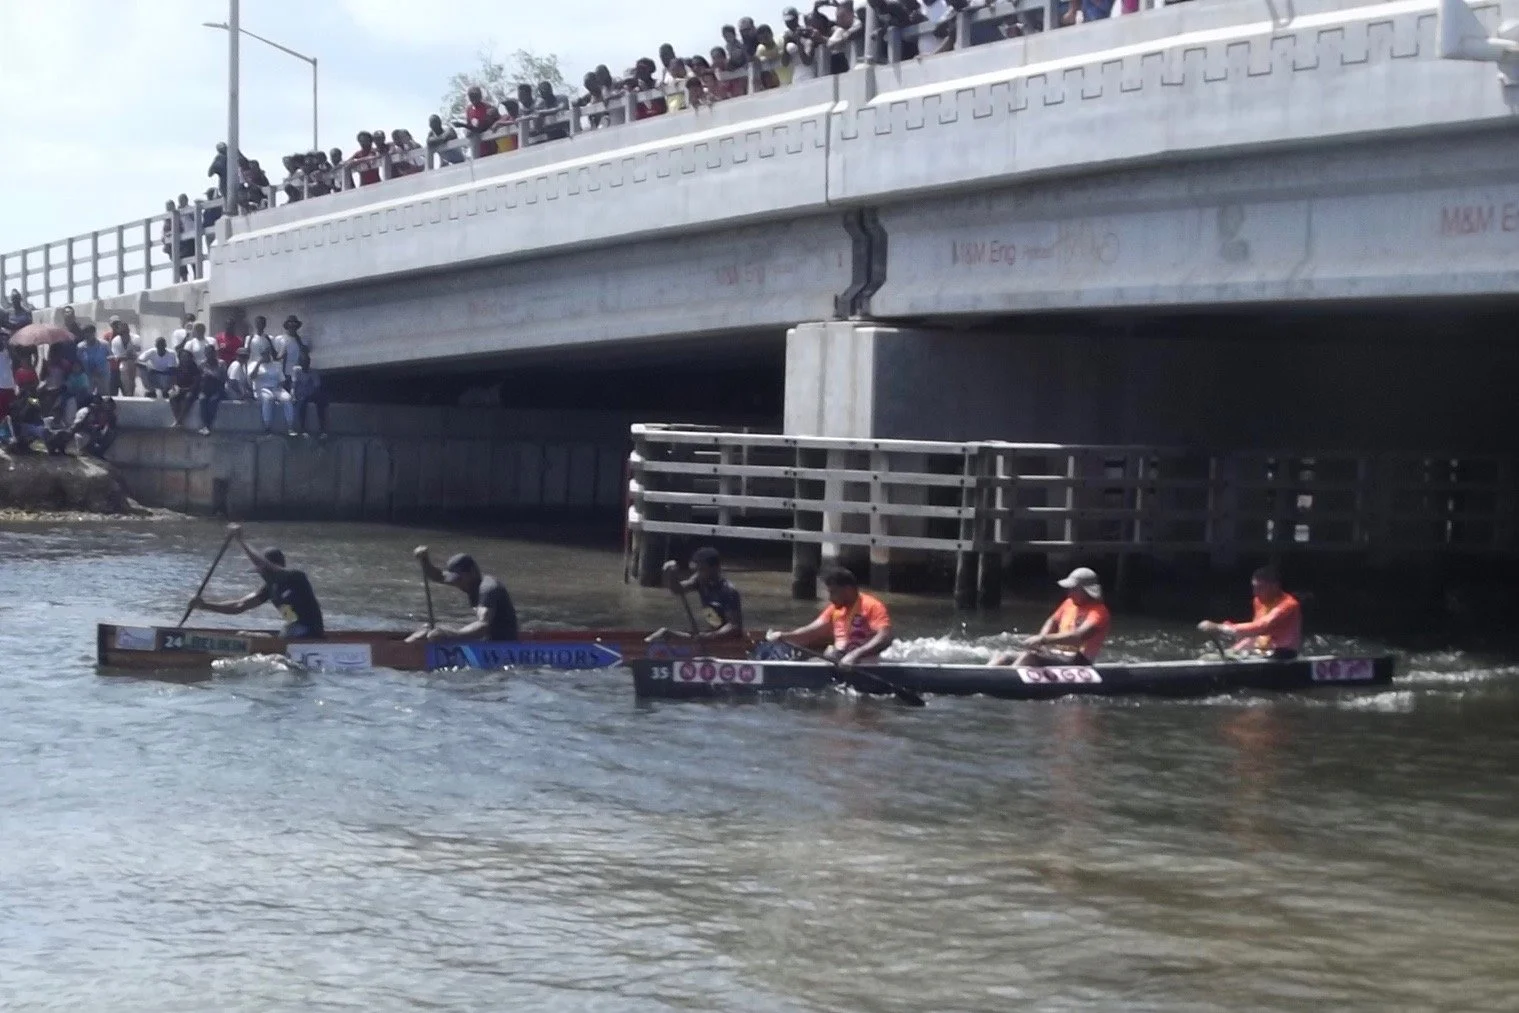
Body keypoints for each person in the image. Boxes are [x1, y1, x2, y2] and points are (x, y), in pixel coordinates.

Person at [191, 525, 325, 639]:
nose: (261, 574)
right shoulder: (269, 589)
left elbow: (265, 565)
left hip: (311, 634)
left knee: (287, 631)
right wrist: (204, 605)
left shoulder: (296, 578)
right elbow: (239, 605)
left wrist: (241, 541)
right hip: (292, 633)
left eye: (262, 570)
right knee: (245, 635)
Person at [767, 567, 893, 666]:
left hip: (862, 663)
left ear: (848, 590)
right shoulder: (834, 609)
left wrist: (855, 655)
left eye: (833, 592)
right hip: (837, 660)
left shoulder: (871, 606)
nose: (830, 598)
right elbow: (810, 632)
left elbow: (885, 637)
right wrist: (783, 636)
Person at [989, 567, 1111, 667]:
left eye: (1074, 589)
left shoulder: (1099, 612)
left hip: (1079, 661)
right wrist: (1041, 641)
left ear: (1087, 591)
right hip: (1057, 654)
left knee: (1030, 657)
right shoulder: (1069, 603)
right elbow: (1053, 621)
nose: (1069, 593)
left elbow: (1078, 637)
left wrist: (1043, 639)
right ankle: (985, 674)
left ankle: (1009, 680)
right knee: (1006, 656)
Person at [407, 547, 519, 643]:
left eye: (459, 579)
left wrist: (451, 636)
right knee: (426, 630)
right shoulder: (469, 582)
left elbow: (483, 626)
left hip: (503, 644)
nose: (457, 584)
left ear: (473, 572)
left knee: (436, 634)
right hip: (486, 640)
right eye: (455, 579)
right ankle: (401, 648)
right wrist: (425, 561)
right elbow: (439, 576)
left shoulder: (488, 589)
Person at [1198, 567, 1303, 660]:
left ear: (1275, 587)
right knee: (1216, 657)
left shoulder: (1289, 604)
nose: (1255, 592)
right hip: (1262, 652)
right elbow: (1254, 634)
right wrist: (1233, 651)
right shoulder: (1258, 601)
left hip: (1284, 654)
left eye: (1260, 588)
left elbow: (1262, 626)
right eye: (1254, 587)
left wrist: (1221, 628)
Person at [646, 547, 743, 643]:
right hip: (710, 634)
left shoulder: (728, 591)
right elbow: (678, 589)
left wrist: (709, 637)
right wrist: (670, 575)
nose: (699, 573)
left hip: (726, 641)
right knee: (666, 634)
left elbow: (733, 627)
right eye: (698, 570)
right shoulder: (700, 580)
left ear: (715, 568)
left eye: (703, 569)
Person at [250, 346, 295, 436]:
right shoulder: (254, 364)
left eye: (267, 353)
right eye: (263, 354)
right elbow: (252, 377)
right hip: (261, 389)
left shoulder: (276, 364)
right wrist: (259, 364)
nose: (265, 355)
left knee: (287, 399)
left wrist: (278, 388)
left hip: (276, 388)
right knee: (268, 398)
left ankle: (290, 427)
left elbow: (282, 380)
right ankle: (267, 427)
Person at [290, 357, 328, 438]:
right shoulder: (296, 370)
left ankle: (323, 430)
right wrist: (293, 396)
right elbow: (293, 385)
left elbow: (317, 386)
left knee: (321, 401)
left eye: (306, 363)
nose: (305, 366)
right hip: (300, 394)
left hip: (311, 394)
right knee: (301, 404)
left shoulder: (313, 371)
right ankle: (303, 429)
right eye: (303, 363)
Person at [107, 316, 143, 397]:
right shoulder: (116, 340)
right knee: (126, 388)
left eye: (126, 330)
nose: (125, 332)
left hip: (134, 366)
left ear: (129, 330)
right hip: (122, 367)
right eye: (123, 331)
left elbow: (137, 353)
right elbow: (118, 357)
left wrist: (126, 356)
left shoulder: (136, 338)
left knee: (132, 386)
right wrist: (127, 356)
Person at [167, 347, 202, 429]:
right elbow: (174, 380)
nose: (184, 358)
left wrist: (185, 390)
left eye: (186, 357)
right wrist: (174, 387)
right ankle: (178, 420)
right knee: (172, 397)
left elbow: (196, 384)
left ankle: (179, 420)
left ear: (190, 358)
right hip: (180, 389)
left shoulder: (195, 369)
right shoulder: (178, 367)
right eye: (182, 357)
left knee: (188, 397)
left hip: (191, 390)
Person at [196, 347, 226, 436]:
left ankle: (207, 426)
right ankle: (205, 425)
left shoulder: (221, 363)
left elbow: (224, 379)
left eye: (211, 353)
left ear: (215, 353)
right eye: (208, 353)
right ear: (205, 354)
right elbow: (198, 378)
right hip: (205, 389)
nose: (210, 355)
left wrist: (212, 375)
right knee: (202, 399)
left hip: (218, 389)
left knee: (213, 401)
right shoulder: (202, 364)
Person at [76, 324, 110, 396]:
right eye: (85, 333)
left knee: (103, 397)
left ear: (94, 333)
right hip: (88, 376)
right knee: (88, 396)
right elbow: (78, 361)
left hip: (102, 376)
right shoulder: (80, 347)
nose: (87, 335)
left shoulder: (104, 345)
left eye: (90, 332)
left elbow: (111, 357)